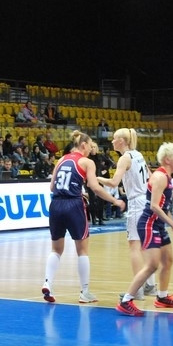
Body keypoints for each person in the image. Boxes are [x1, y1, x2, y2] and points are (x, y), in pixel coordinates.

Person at [41, 130, 125, 304]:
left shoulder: (62, 159)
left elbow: (51, 187)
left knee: (56, 249)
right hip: (73, 205)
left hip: (56, 204)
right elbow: (95, 187)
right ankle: (84, 292)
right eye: (90, 146)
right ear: (83, 145)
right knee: (82, 251)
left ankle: (47, 282)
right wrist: (114, 201)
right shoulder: (86, 162)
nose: (90, 150)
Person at [116, 142, 173, 316]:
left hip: (158, 224)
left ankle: (161, 297)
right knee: (152, 265)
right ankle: (126, 300)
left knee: (168, 260)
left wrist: (171, 223)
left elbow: (164, 205)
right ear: (167, 159)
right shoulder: (160, 177)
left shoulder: (167, 177)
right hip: (148, 223)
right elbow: (154, 206)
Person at [98, 128, 158, 300]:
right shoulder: (138, 154)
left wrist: (95, 179)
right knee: (145, 245)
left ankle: (136, 290)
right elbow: (151, 176)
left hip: (137, 204)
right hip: (146, 200)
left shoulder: (125, 158)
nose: (112, 142)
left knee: (134, 246)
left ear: (122, 141)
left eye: (114, 139)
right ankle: (150, 286)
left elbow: (113, 182)